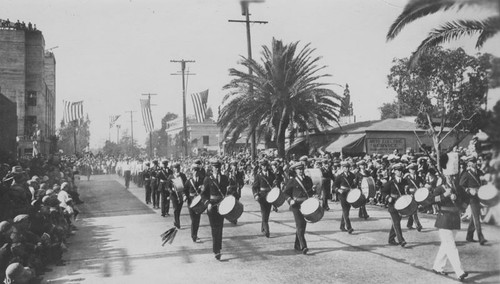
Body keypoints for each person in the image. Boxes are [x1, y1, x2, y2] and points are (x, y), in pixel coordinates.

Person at [431, 184, 469, 281]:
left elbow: (467, 198)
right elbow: (431, 200)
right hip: (444, 219)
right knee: (451, 246)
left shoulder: (458, 187)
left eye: (453, 175)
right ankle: (459, 272)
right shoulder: (439, 188)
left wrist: (461, 207)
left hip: (455, 219)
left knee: (446, 245)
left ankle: (437, 267)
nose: (451, 177)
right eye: (449, 175)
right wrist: (444, 195)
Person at [284, 162, 316, 254]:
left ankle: (297, 245)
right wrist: (290, 200)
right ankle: (304, 246)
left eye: (302, 169)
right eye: (298, 169)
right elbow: (285, 193)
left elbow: (309, 193)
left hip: (306, 204)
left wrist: (313, 191)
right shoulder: (292, 181)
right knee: (300, 224)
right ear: (295, 171)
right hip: (296, 205)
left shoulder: (308, 180)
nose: (301, 171)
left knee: (303, 226)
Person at [202, 159, 229, 260]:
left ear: (220, 167)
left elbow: (227, 191)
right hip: (212, 206)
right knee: (214, 228)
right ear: (211, 168)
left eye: (218, 167)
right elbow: (203, 194)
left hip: (222, 205)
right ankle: (216, 250)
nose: (216, 169)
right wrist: (207, 203)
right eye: (215, 167)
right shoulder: (207, 179)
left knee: (220, 227)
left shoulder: (225, 178)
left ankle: (218, 249)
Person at [459, 156, 487, 245]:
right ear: (469, 164)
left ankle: (469, 236)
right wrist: (468, 190)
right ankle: (481, 237)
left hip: (480, 195)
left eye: (475, 162)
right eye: (473, 162)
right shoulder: (466, 174)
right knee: (476, 217)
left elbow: (484, 181)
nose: (475, 163)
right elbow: (461, 185)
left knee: (475, 216)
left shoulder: (479, 172)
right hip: (472, 197)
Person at [382, 163, 408, 247]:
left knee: (396, 222)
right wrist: (387, 197)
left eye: (401, 171)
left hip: (401, 204)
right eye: (398, 171)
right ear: (395, 172)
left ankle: (391, 239)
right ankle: (401, 240)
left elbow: (406, 192)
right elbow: (383, 191)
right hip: (392, 205)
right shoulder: (391, 182)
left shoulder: (404, 181)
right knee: (396, 222)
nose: (400, 172)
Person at [252, 159, 275, 238]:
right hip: (262, 196)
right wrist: (256, 195)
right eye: (262, 165)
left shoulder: (272, 174)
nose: (264, 167)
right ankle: (267, 230)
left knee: (267, 213)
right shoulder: (258, 176)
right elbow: (254, 187)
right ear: (261, 166)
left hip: (270, 196)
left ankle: (263, 227)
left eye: (265, 165)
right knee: (264, 212)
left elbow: (275, 183)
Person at [184, 162, 205, 243]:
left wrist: (202, 189)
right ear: (192, 171)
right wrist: (185, 196)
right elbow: (184, 190)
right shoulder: (189, 181)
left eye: (197, 170)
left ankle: (195, 234)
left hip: (199, 202)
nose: (196, 172)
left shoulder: (201, 180)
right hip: (191, 202)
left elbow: (204, 190)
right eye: (194, 170)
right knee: (194, 220)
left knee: (197, 219)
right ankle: (194, 236)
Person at [334, 161, 357, 234]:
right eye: (344, 167)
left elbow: (354, 185)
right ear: (342, 168)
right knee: (345, 210)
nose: (346, 168)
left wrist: (355, 184)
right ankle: (349, 227)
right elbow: (334, 186)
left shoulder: (353, 175)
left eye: (347, 167)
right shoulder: (340, 176)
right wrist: (338, 190)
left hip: (350, 194)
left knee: (347, 210)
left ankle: (342, 226)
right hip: (342, 195)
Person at [405, 163, 423, 231]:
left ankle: (409, 224)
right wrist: (408, 194)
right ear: (409, 170)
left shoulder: (419, 177)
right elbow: (405, 187)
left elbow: (421, 185)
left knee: (413, 210)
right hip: (410, 195)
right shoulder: (407, 178)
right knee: (414, 210)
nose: (413, 171)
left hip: (417, 195)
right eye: (412, 169)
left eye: (414, 169)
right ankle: (418, 225)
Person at [170, 162, 186, 229]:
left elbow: (186, 184)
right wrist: (171, 189)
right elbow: (167, 186)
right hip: (174, 195)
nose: (177, 169)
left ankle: (176, 220)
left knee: (179, 209)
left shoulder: (183, 175)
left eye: (178, 168)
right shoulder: (171, 176)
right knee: (175, 209)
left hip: (181, 195)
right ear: (173, 169)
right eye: (175, 168)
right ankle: (177, 223)